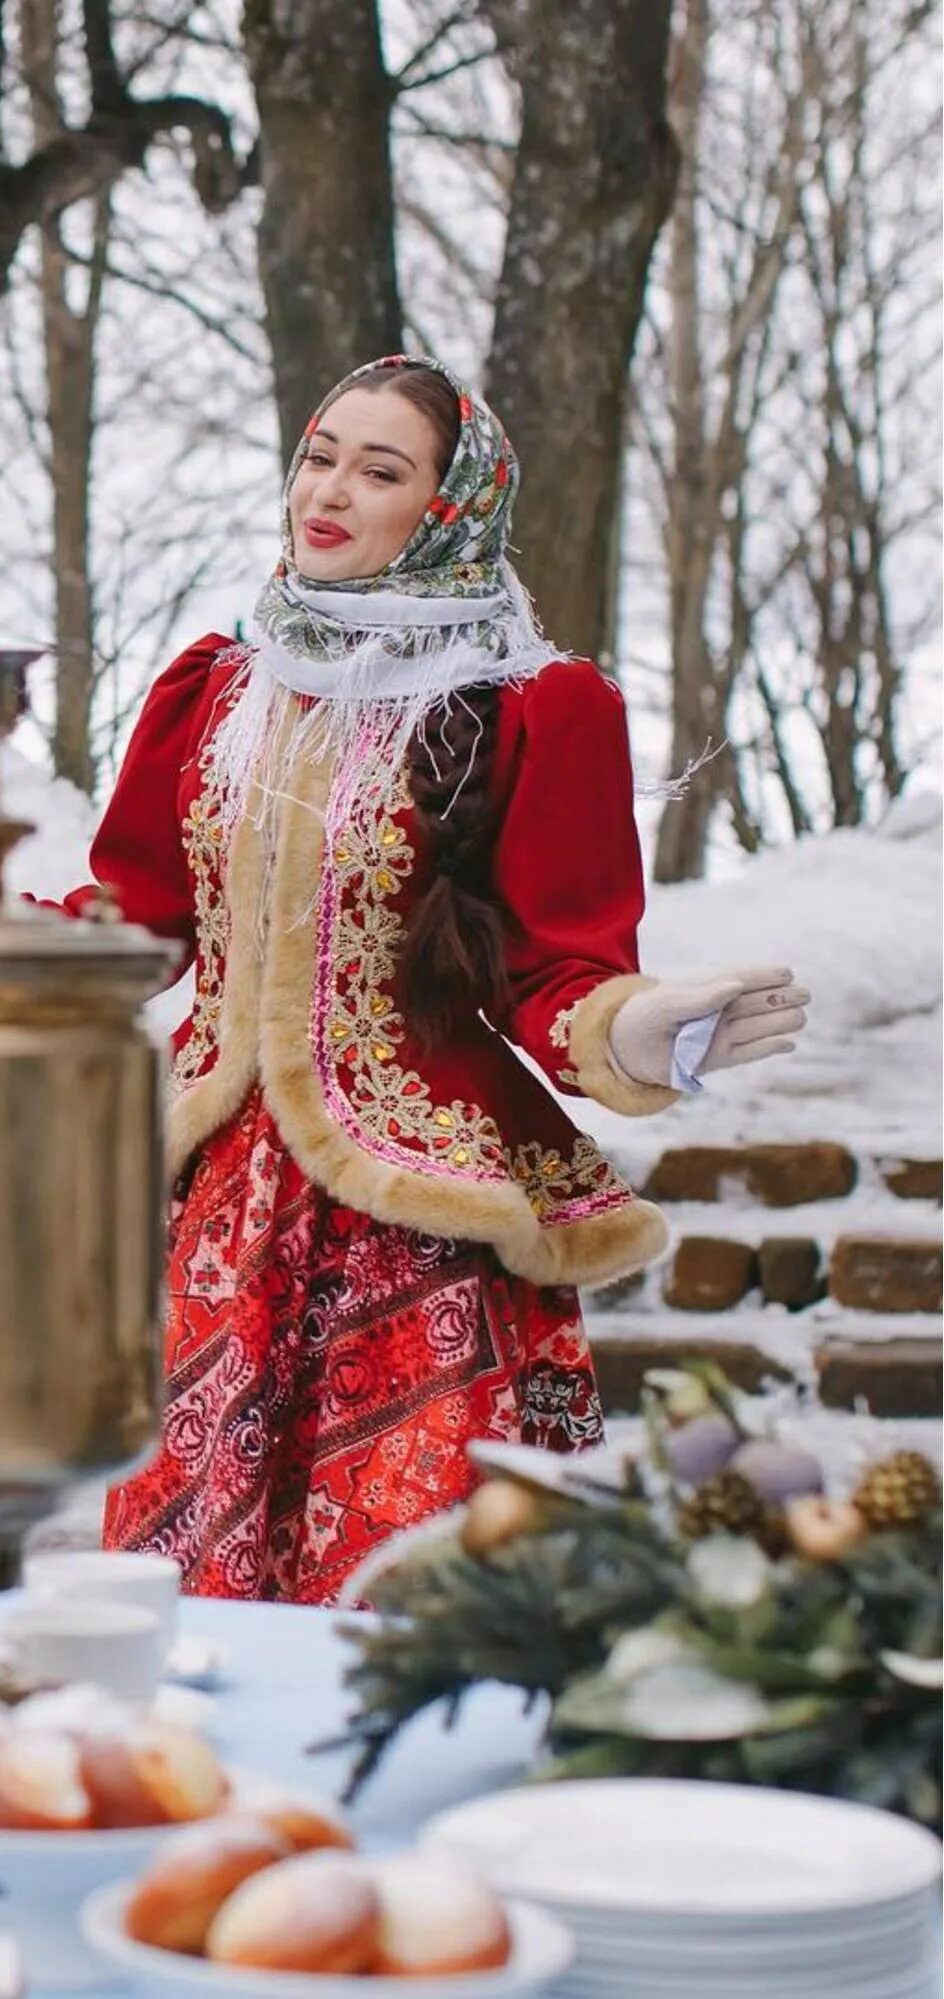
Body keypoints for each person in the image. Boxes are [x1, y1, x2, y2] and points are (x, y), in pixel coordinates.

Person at [57, 354, 810, 1605]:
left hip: (417, 1224)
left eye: (379, 468)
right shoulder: (210, 690)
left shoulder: (534, 706)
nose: (329, 490)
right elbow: (128, 920)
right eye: (317, 454)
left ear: (448, 509)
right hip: (218, 1215)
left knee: (404, 1588)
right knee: (182, 1586)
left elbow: (556, 966)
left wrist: (638, 1029)